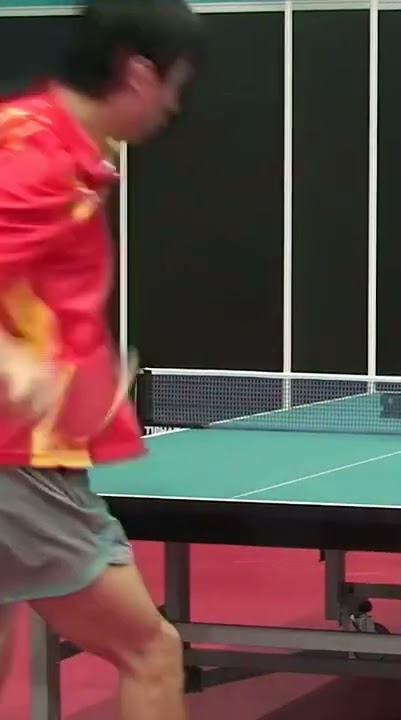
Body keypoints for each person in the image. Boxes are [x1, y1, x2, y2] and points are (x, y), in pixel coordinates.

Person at [0, 0, 203, 716]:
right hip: (18, 464)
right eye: (175, 85)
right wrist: (17, 367)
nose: (174, 106)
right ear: (141, 74)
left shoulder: (30, 137)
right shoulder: (37, 161)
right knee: (151, 651)